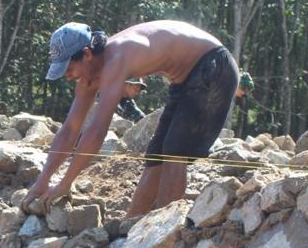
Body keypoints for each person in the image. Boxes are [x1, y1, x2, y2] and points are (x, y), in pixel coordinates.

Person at [24, 20, 240, 217]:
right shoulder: (89, 75)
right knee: (156, 155)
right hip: (185, 79)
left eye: (69, 68)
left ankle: (165, 231)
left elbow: (97, 130)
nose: (68, 75)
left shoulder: (115, 59)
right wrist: (43, 180)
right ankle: (131, 224)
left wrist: (65, 183)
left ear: (87, 54)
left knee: (175, 152)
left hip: (215, 66)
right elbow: (70, 129)